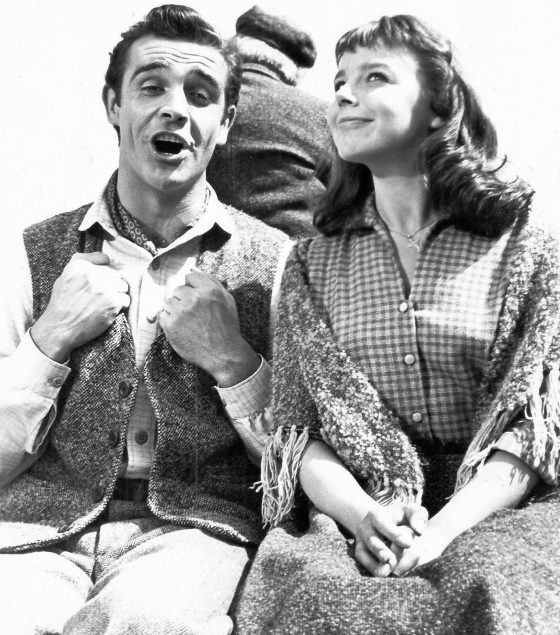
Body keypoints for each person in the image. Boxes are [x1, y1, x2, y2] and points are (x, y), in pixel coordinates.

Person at [234, 14, 560, 634]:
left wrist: (442, 531)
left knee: (497, 590)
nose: (344, 95)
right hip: (360, 508)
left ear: (439, 108)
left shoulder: (525, 249)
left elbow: (537, 427)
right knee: (313, 602)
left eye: (374, 77)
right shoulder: (309, 265)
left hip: (504, 504)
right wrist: (364, 519)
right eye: (339, 81)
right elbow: (299, 434)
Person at [0, 5, 288, 634]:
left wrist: (233, 361)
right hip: (28, 535)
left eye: (200, 95)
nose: (175, 109)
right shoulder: (28, 253)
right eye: (151, 86)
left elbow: (293, 471)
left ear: (225, 123)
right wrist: (50, 338)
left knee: (146, 624)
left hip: (191, 536)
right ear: (113, 105)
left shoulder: (276, 265)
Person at [206, 5, 331, 239]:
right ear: (295, 71)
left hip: (197, 256)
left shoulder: (199, 105)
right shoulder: (324, 115)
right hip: (299, 256)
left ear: (232, 47)